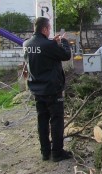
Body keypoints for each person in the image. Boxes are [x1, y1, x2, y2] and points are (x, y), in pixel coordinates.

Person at [23, 17, 72, 162]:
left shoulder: (26, 44)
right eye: (49, 28)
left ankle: (45, 152)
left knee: (42, 121)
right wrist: (63, 42)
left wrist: (53, 43)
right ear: (44, 29)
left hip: (37, 89)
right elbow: (65, 55)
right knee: (56, 121)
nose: (50, 31)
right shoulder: (48, 45)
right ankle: (57, 153)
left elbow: (42, 55)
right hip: (52, 90)